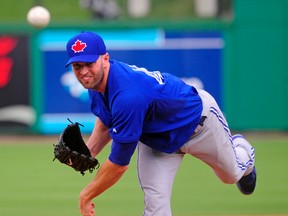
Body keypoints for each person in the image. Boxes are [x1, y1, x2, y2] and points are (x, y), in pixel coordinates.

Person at [65, 31, 256, 216]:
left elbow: (119, 164)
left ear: (105, 59)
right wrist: (89, 151)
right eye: (77, 66)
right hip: (157, 142)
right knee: (156, 206)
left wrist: (86, 195)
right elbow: (107, 121)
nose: (84, 72)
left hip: (199, 125)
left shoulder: (128, 96)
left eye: (89, 63)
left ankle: (242, 150)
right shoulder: (95, 84)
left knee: (231, 175)